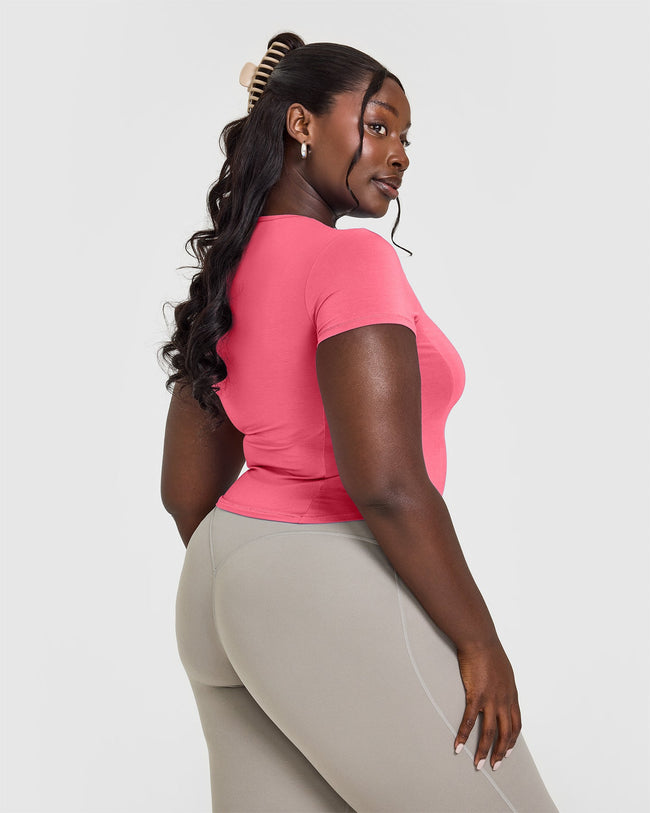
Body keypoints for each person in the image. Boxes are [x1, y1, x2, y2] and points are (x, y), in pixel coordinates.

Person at [159, 31, 558, 813]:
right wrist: (480, 643)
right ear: (301, 124)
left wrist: (252, 588)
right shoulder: (352, 260)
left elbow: (184, 492)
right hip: (321, 575)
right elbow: (386, 482)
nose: (398, 153)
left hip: (214, 583)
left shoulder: (228, 270)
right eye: (377, 126)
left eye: (405, 138)